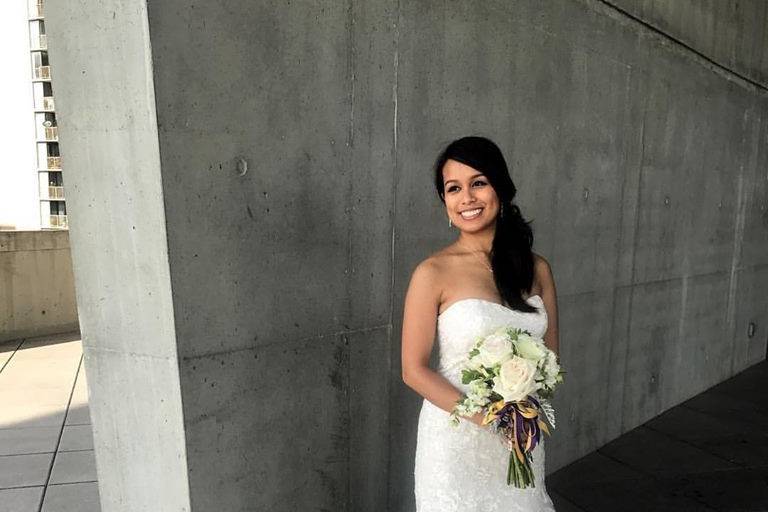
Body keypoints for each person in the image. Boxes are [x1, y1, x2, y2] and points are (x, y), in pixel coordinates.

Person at [401, 136, 560, 511]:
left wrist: (521, 414)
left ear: (500, 189)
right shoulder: (432, 272)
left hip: (521, 437)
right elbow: (413, 370)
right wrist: (494, 417)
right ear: (446, 204)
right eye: (453, 188)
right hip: (455, 441)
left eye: (478, 183)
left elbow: (551, 360)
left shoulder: (537, 269)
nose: (467, 198)